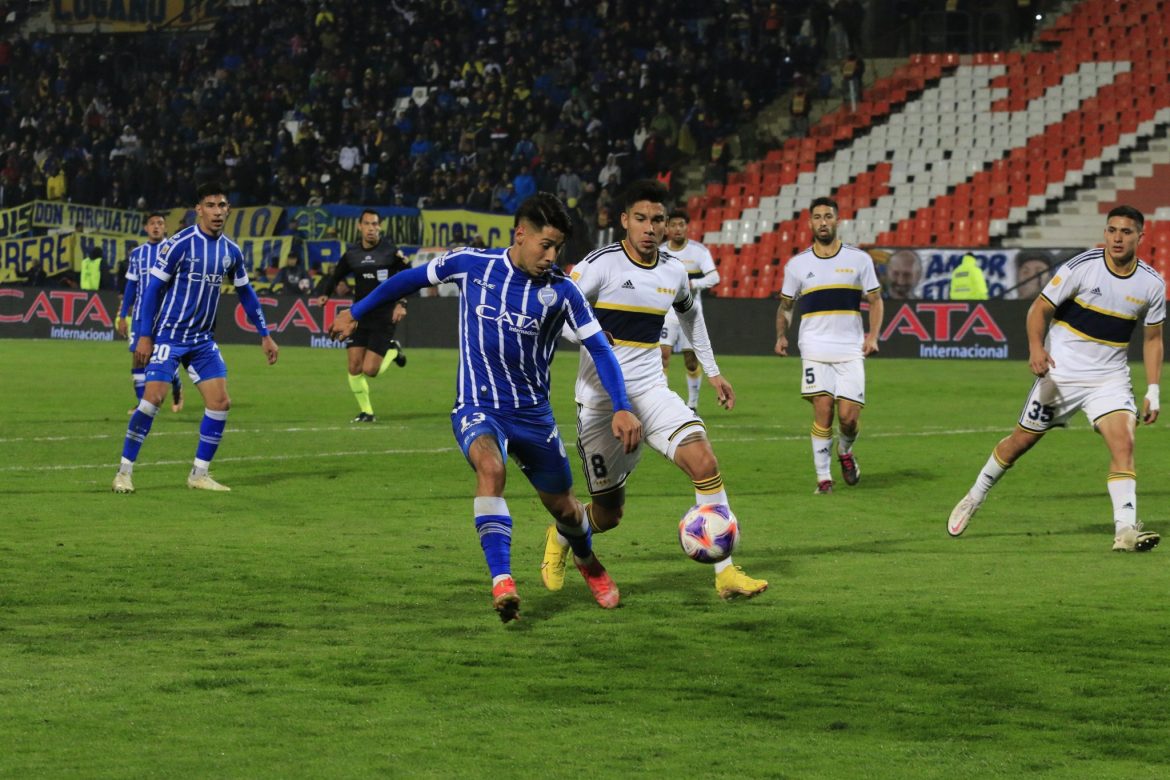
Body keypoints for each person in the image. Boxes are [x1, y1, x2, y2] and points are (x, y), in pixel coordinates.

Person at [328, 192, 642, 623]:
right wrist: (358, 312)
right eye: (544, 246)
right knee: (491, 470)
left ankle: (586, 559)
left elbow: (600, 349)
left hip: (533, 415)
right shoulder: (473, 265)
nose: (551, 256)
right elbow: (408, 280)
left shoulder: (563, 291)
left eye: (558, 248)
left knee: (567, 509)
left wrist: (621, 406)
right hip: (477, 406)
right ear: (520, 235)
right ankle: (502, 582)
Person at [544, 180, 768, 601]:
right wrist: (592, 337)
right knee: (609, 515)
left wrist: (714, 371)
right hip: (600, 402)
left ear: (667, 225)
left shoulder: (673, 272)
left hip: (651, 391)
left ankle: (726, 572)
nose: (650, 228)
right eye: (641, 219)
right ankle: (561, 535)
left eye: (658, 220)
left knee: (704, 460)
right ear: (624, 221)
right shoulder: (599, 266)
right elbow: (561, 309)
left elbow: (691, 318)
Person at [947, 206, 1163, 552]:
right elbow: (1039, 309)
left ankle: (1124, 530)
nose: (1117, 238)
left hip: (1109, 378)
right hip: (1061, 374)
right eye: (1112, 230)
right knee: (1019, 443)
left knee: (1124, 444)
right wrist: (1036, 348)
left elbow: (1153, 339)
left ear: (1141, 236)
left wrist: (1153, 389)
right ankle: (975, 495)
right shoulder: (1082, 267)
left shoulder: (1151, 283)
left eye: (1125, 232)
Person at [112, 182, 279, 494]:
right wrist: (145, 334)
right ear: (199, 209)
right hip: (170, 336)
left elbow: (247, 294)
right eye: (211, 205)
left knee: (220, 402)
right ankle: (124, 472)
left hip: (202, 340)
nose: (217, 212)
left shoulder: (231, 250)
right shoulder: (180, 243)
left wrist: (265, 335)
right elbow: (152, 291)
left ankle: (198, 474)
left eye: (222, 205)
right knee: (152, 400)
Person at [774, 196, 884, 494]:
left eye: (828, 216)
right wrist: (781, 334)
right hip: (814, 348)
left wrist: (872, 336)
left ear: (838, 221)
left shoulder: (859, 260)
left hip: (850, 349)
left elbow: (875, 300)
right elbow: (786, 305)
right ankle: (823, 478)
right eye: (818, 217)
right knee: (823, 411)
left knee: (848, 419)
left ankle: (845, 452)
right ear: (810, 223)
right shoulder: (797, 265)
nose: (823, 222)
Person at [315, 209, 409, 423]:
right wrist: (325, 294)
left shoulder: (390, 252)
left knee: (370, 370)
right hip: (359, 315)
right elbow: (336, 275)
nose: (371, 228)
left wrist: (401, 303)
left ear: (380, 227)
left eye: (375, 224)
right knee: (354, 366)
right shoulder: (352, 254)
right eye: (367, 224)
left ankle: (393, 350)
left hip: (384, 315)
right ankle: (367, 412)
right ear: (360, 227)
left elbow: (408, 277)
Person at [115, 212, 185, 415]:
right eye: (152, 223)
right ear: (146, 228)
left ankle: (177, 388)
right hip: (140, 316)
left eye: (160, 223)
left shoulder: (173, 251)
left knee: (165, 358)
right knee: (138, 357)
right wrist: (122, 315)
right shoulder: (137, 254)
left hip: (166, 315)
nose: (156, 226)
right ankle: (141, 404)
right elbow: (131, 286)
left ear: (165, 228)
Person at [658, 208, 720, 411]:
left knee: (691, 361)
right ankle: (663, 403)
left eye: (681, 225)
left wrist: (693, 284)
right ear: (666, 227)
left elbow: (714, 277)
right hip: (667, 312)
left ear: (687, 227)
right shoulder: (660, 252)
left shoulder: (699, 251)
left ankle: (692, 403)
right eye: (673, 225)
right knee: (663, 356)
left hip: (691, 312)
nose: (677, 229)